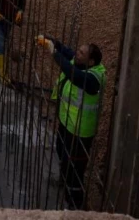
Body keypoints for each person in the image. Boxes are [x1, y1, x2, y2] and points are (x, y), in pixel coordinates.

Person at [36, 36, 104, 210]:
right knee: (61, 151)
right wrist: (50, 41)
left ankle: (75, 205)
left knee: (75, 170)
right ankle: (65, 182)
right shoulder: (80, 61)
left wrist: (54, 53)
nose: (77, 54)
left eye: (81, 53)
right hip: (67, 123)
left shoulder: (93, 79)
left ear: (91, 61)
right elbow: (66, 50)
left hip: (80, 132)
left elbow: (72, 74)